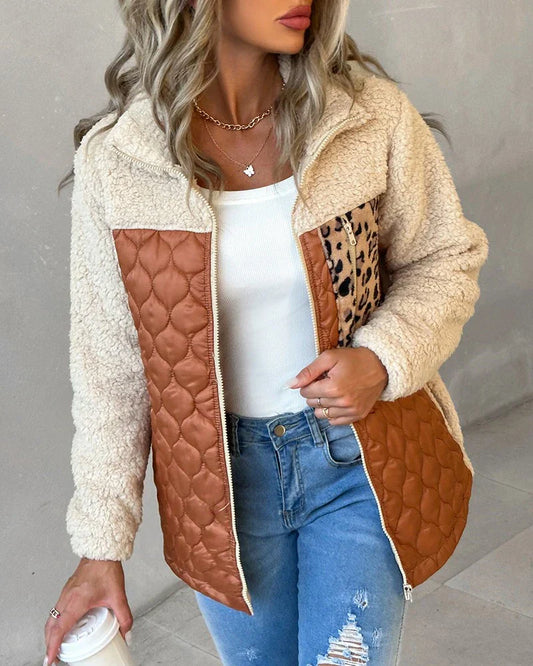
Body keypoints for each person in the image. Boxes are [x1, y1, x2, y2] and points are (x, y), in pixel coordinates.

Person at [44, 1, 489, 665]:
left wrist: (381, 358)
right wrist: (99, 549)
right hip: (220, 489)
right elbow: (111, 368)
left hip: (358, 462)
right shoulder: (120, 162)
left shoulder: (366, 116)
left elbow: (445, 257)